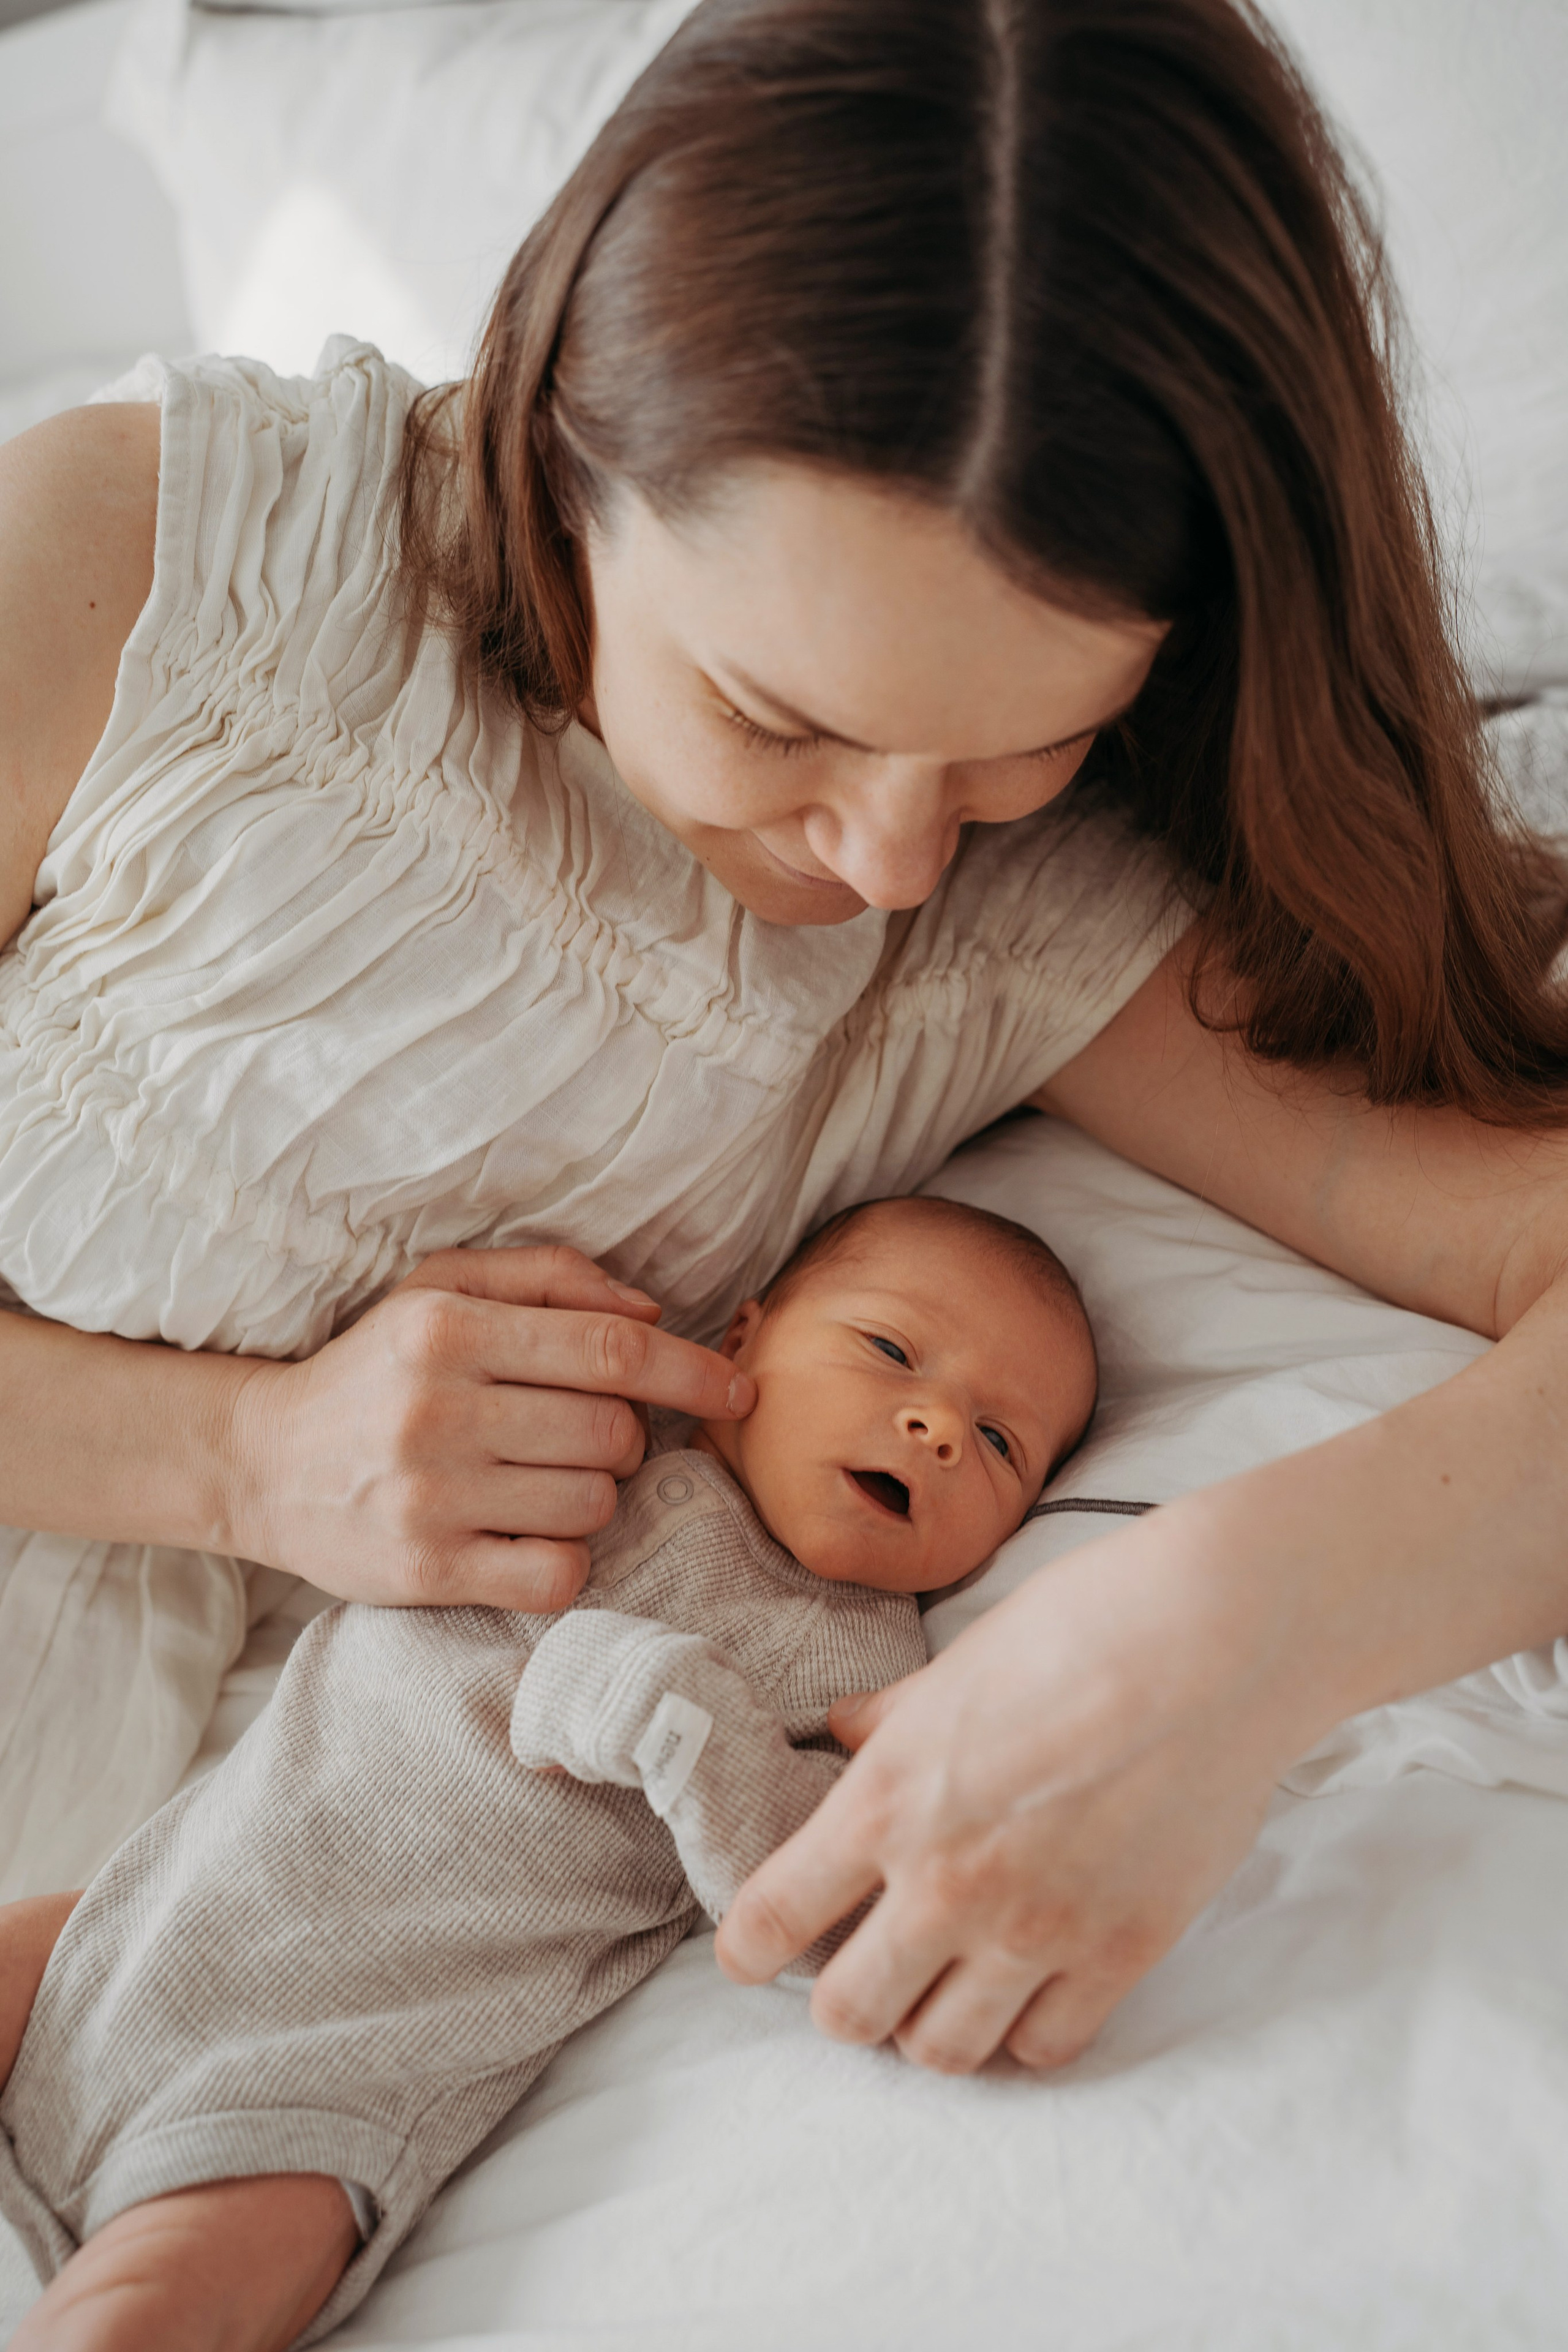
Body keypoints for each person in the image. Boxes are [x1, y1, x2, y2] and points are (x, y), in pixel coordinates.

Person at [1, 0, 1566, 2339]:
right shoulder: (145, 581)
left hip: (239, 1953)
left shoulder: (1038, 922)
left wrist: (1234, 1644)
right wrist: (239, 1454)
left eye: (1032, 742)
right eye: (779, 716)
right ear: (565, 454)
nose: (887, 852)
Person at [0, 1196, 1097, 2349]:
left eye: (1000, 1444)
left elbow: (826, 1896)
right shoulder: (591, 1441)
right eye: (890, 1352)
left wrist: (689, 1723)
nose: (934, 1426)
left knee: (143, 2312)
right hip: (150, 1903)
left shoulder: (860, 1660)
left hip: (342, 2063)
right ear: (741, 1344)